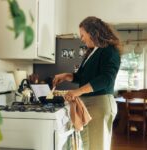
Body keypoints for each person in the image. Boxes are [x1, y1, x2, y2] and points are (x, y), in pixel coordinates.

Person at [53, 16, 122, 150]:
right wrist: (66, 76)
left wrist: (77, 92)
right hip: (89, 104)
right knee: (89, 145)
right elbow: (83, 77)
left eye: (83, 35)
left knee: (97, 147)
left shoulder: (109, 50)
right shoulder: (93, 52)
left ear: (93, 33)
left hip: (99, 104)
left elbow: (106, 79)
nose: (82, 38)